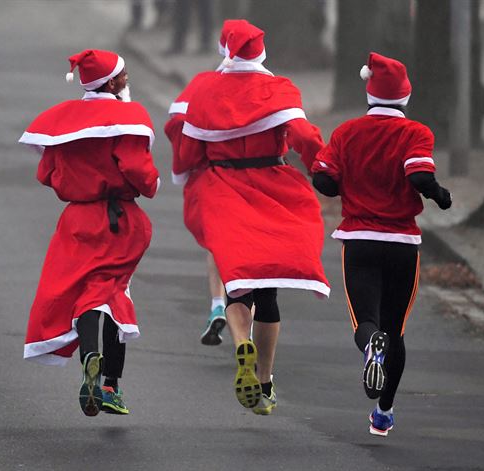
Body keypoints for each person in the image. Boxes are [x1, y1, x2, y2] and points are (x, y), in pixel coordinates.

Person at [175, 21, 330, 415]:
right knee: (269, 289)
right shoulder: (279, 89)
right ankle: (264, 378)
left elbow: (189, 146)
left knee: (237, 280)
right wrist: (322, 167)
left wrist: (187, 173)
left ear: (226, 49)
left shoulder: (207, 88)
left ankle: (241, 339)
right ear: (261, 53)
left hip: (224, 190)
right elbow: (303, 136)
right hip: (272, 187)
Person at [311, 52, 452, 436]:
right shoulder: (417, 133)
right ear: (406, 97)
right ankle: (384, 411)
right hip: (402, 243)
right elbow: (420, 176)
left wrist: (343, 184)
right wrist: (440, 195)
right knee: (396, 329)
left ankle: (370, 344)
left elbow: (323, 180)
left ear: (369, 94)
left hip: (359, 240)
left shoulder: (346, 132)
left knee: (366, 321)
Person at [19, 49, 160, 417]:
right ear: (111, 82)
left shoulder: (63, 121)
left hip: (76, 220)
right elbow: (141, 174)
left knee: (85, 289)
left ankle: (90, 357)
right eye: (124, 74)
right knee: (111, 291)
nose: (128, 79)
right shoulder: (129, 117)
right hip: (118, 221)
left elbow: (46, 173)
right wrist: (152, 183)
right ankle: (111, 384)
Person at [166, 19, 248, 346]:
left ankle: (216, 305)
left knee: (217, 244)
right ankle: (247, 331)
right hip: (255, 181)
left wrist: (186, 165)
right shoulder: (267, 87)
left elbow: (179, 123)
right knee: (247, 253)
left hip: (216, 177)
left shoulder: (205, 84)